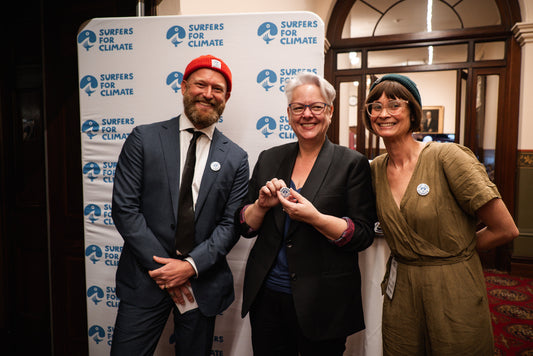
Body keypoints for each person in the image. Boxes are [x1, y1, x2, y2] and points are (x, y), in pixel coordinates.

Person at [363, 74, 519, 355]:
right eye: (375, 106)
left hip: (453, 287)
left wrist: (454, 253)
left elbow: (505, 229)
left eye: (394, 104)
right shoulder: (374, 170)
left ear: (413, 112)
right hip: (401, 291)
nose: (383, 113)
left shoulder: (448, 157)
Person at [110, 54, 249, 356]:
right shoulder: (144, 139)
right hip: (146, 280)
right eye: (201, 84)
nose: (208, 94)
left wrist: (188, 267)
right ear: (184, 86)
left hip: (201, 282)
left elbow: (230, 224)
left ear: (226, 97)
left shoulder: (236, 158)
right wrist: (166, 271)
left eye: (218, 89)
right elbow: (125, 209)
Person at [237, 72, 377, 356]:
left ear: (330, 112)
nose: (307, 115)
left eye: (316, 107)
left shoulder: (352, 163)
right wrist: (261, 206)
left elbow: (362, 234)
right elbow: (245, 226)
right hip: (267, 298)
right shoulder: (270, 158)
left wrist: (314, 217)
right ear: (289, 114)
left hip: (324, 304)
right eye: (299, 107)